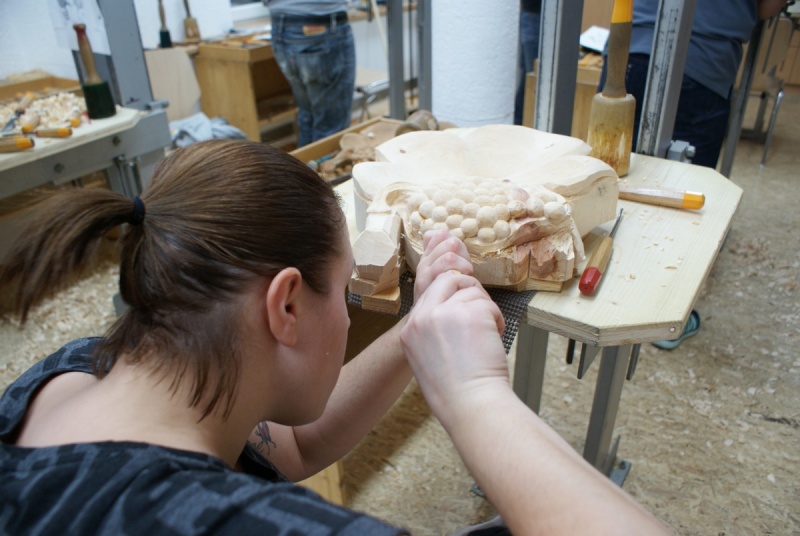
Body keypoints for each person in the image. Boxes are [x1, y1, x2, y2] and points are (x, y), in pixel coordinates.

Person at [0, 140, 670, 534]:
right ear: (287, 305)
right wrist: (473, 392)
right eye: (347, 289)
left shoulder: (74, 375)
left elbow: (287, 449)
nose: (350, 315)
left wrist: (415, 329)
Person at [600, 0, 788, 350]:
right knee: (666, 199)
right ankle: (652, 309)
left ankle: (634, 300)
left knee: (627, 183)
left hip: (631, 49)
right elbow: (767, 7)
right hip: (702, 61)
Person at [602, 0, 789, 169]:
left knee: (607, 172)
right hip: (704, 58)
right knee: (686, 182)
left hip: (629, 44)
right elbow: (766, 7)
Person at [264, 0, 356, 146]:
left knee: (308, 116)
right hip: (319, 25)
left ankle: (307, 161)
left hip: (282, 26)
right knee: (330, 129)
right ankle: (321, 161)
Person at [513, 0, 542, 126]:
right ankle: (519, 122)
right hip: (533, 13)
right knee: (534, 79)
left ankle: (518, 122)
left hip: (536, 13)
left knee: (529, 78)